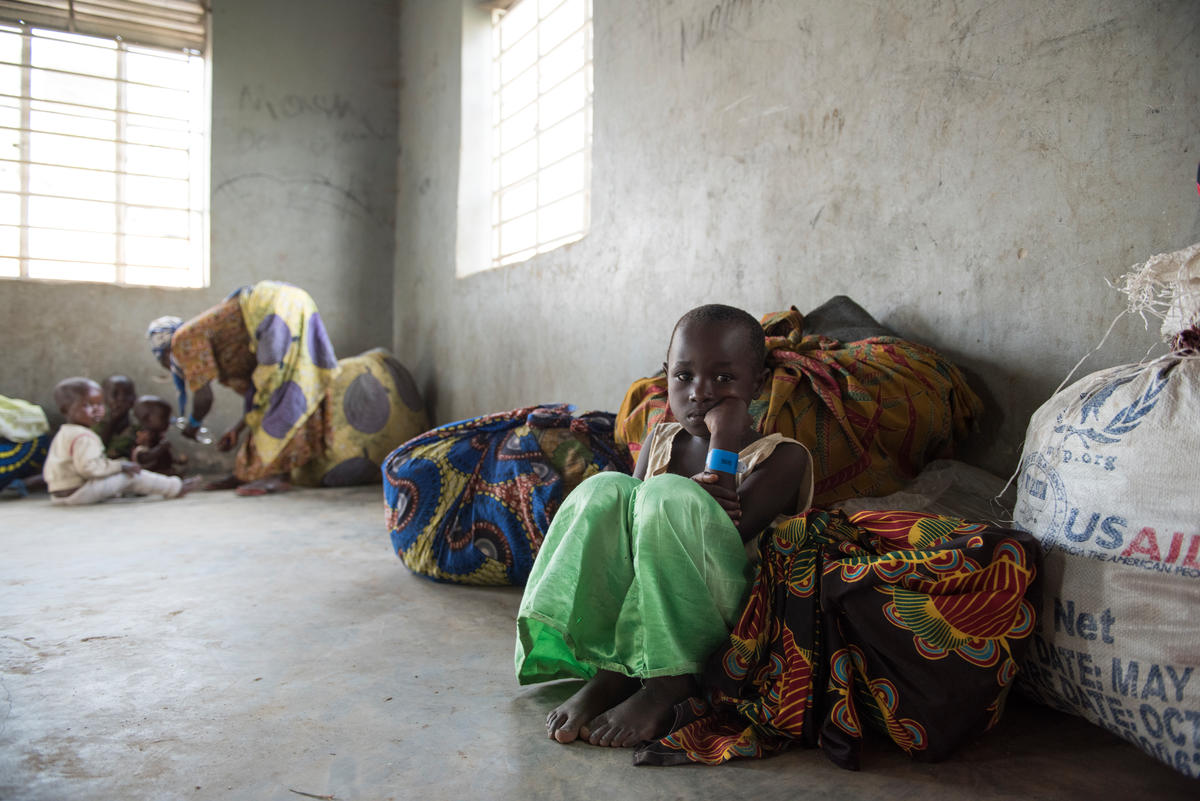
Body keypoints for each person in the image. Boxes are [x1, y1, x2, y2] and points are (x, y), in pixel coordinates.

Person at [514, 304, 814, 748]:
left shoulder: (784, 457)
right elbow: (624, 537)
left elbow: (725, 532)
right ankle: (615, 671)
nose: (700, 393)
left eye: (724, 379)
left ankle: (670, 682)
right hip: (648, 600)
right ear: (665, 376)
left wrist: (725, 441)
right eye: (684, 376)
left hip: (723, 612)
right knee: (608, 490)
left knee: (666, 495)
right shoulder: (659, 438)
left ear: (760, 383)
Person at [146, 280, 339, 496]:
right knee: (275, 393)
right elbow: (257, 399)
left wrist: (193, 423)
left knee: (283, 392)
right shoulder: (224, 348)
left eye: (166, 364)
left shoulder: (181, 341)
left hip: (273, 307)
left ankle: (277, 476)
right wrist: (237, 429)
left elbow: (203, 397)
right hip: (293, 302)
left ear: (165, 354)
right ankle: (248, 473)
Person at [43, 378, 199, 506]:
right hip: (78, 493)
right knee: (131, 477)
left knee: (117, 477)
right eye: (87, 405)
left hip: (59, 495)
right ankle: (175, 487)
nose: (96, 409)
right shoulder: (84, 437)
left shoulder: (64, 433)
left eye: (99, 404)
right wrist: (120, 466)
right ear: (65, 410)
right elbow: (89, 469)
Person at [131, 395, 187, 476]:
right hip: (150, 475)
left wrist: (178, 461)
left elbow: (165, 457)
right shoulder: (142, 439)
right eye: (164, 417)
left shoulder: (158, 437)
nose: (169, 421)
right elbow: (143, 458)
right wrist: (161, 448)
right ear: (147, 419)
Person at [93, 375, 137, 458]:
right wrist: (113, 422)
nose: (121, 398)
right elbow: (96, 450)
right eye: (115, 394)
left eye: (127, 394)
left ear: (134, 398)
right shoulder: (96, 423)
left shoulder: (140, 424)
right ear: (104, 398)